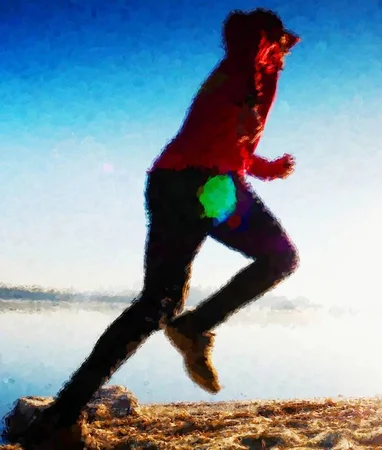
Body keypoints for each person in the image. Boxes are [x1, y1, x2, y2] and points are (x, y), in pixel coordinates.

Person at [6, 8, 300, 449]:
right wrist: (248, 95)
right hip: (207, 183)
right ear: (270, 41)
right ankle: (195, 327)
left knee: (156, 305)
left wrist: (265, 166)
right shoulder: (249, 63)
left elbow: (223, 140)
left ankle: (59, 419)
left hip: (172, 180)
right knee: (281, 257)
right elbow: (241, 39)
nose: (282, 56)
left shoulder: (244, 76)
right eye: (279, 47)